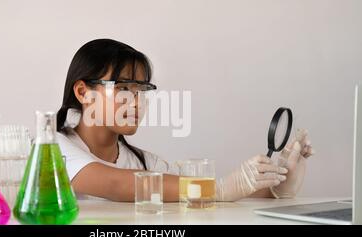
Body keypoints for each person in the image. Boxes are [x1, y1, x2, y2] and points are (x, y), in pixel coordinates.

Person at [55, 38, 314, 202]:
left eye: (142, 90)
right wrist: (220, 188)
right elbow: (114, 183)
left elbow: (207, 192)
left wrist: (278, 186)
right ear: (83, 92)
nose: (136, 101)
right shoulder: (51, 147)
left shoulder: (145, 163)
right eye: (123, 88)